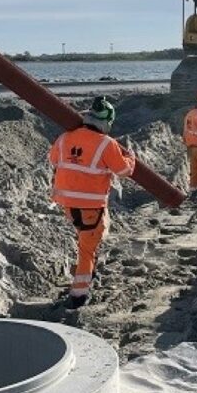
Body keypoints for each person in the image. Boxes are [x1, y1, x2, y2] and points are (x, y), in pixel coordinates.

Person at [48, 96, 135, 310]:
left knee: (92, 235)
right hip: (89, 205)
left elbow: (53, 159)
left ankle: (90, 270)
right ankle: (79, 294)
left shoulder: (64, 138)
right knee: (86, 249)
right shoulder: (107, 143)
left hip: (68, 203)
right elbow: (123, 171)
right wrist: (131, 157)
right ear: (106, 121)